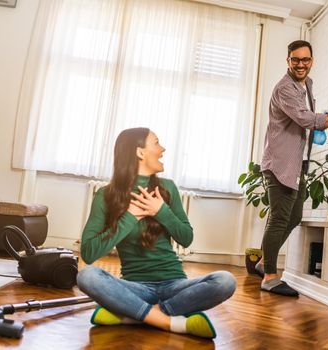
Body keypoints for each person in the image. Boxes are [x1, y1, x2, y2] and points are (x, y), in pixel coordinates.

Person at [77, 127, 236, 339]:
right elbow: (88, 253)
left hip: (175, 285)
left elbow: (186, 238)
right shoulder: (106, 195)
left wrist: (161, 211)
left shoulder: (168, 188)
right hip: (135, 286)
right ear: (140, 152)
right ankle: (171, 322)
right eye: (157, 142)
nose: (163, 149)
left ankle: (135, 315)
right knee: (87, 276)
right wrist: (130, 217)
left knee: (226, 281)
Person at [254, 40, 328, 296]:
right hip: (280, 163)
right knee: (280, 217)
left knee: (293, 217)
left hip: (298, 162)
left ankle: (263, 262)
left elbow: (304, 117)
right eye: (296, 60)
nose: (301, 64)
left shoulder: (307, 85)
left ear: (312, 61)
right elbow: (305, 119)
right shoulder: (285, 88)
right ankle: (269, 276)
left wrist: (326, 119)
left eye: (305, 59)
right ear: (288, 61)